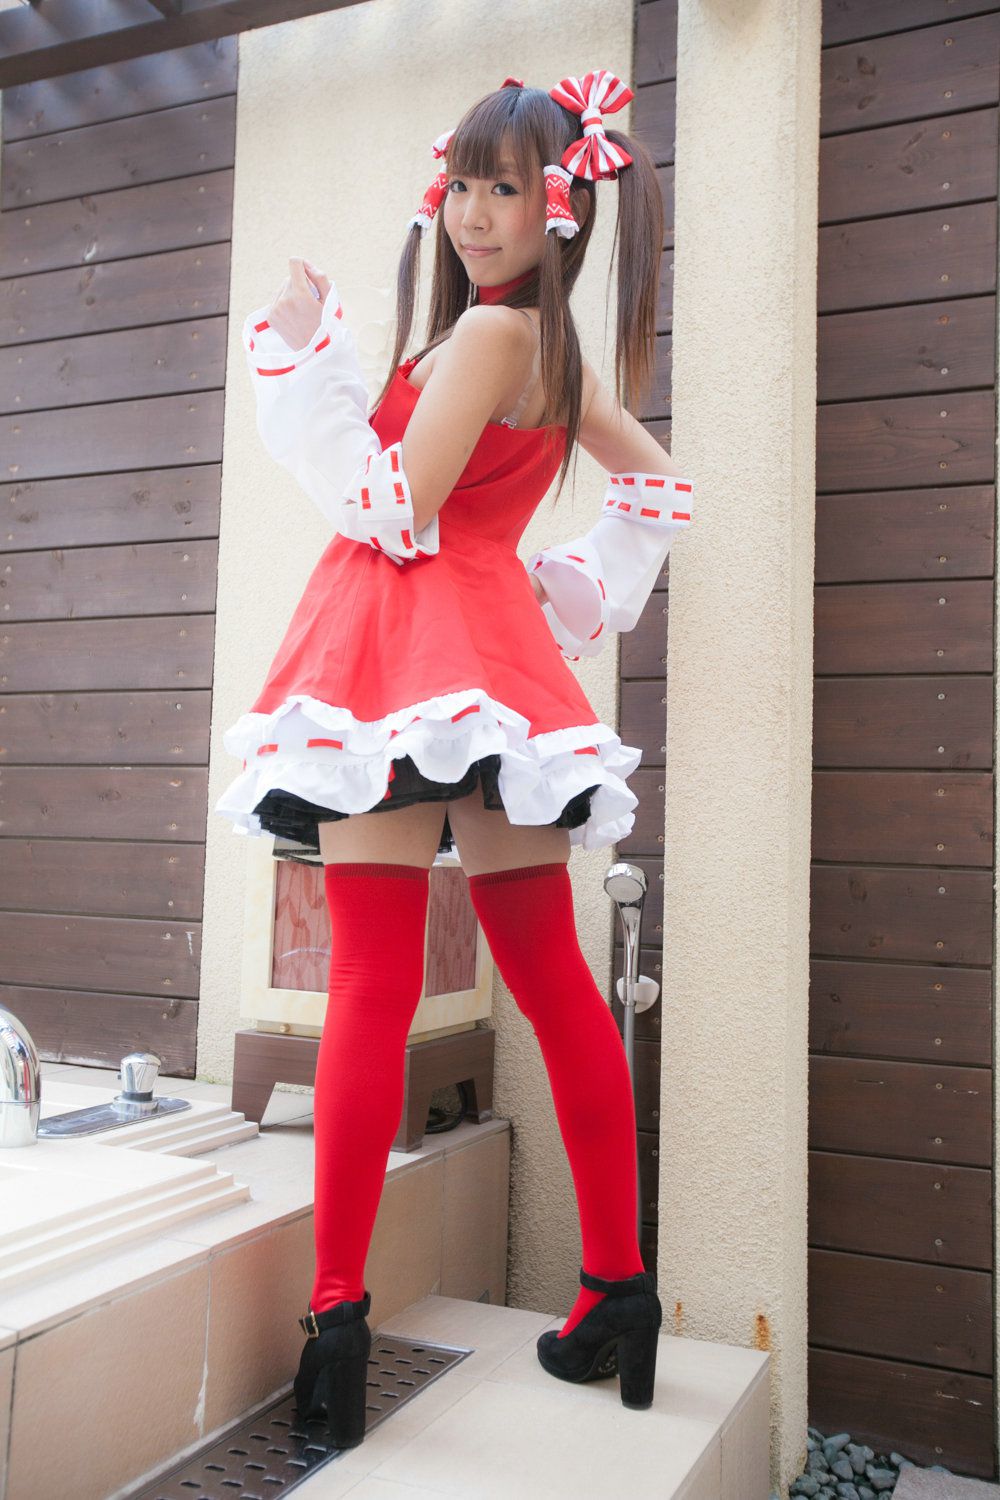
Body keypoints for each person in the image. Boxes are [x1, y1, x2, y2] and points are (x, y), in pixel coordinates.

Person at [214, 70, 694, 1446]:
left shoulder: (491, 334)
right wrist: (558, 583)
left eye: (508, 190)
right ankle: (618, 1290)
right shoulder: (551, 349)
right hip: (489, 670)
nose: (476, 215)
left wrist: (304, 362)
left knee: (371, 979)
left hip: (393, 660)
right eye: (465, 185)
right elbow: (661, 486)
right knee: (549, 977)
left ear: (559, 209)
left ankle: (336, 1326)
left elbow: (395, 503)